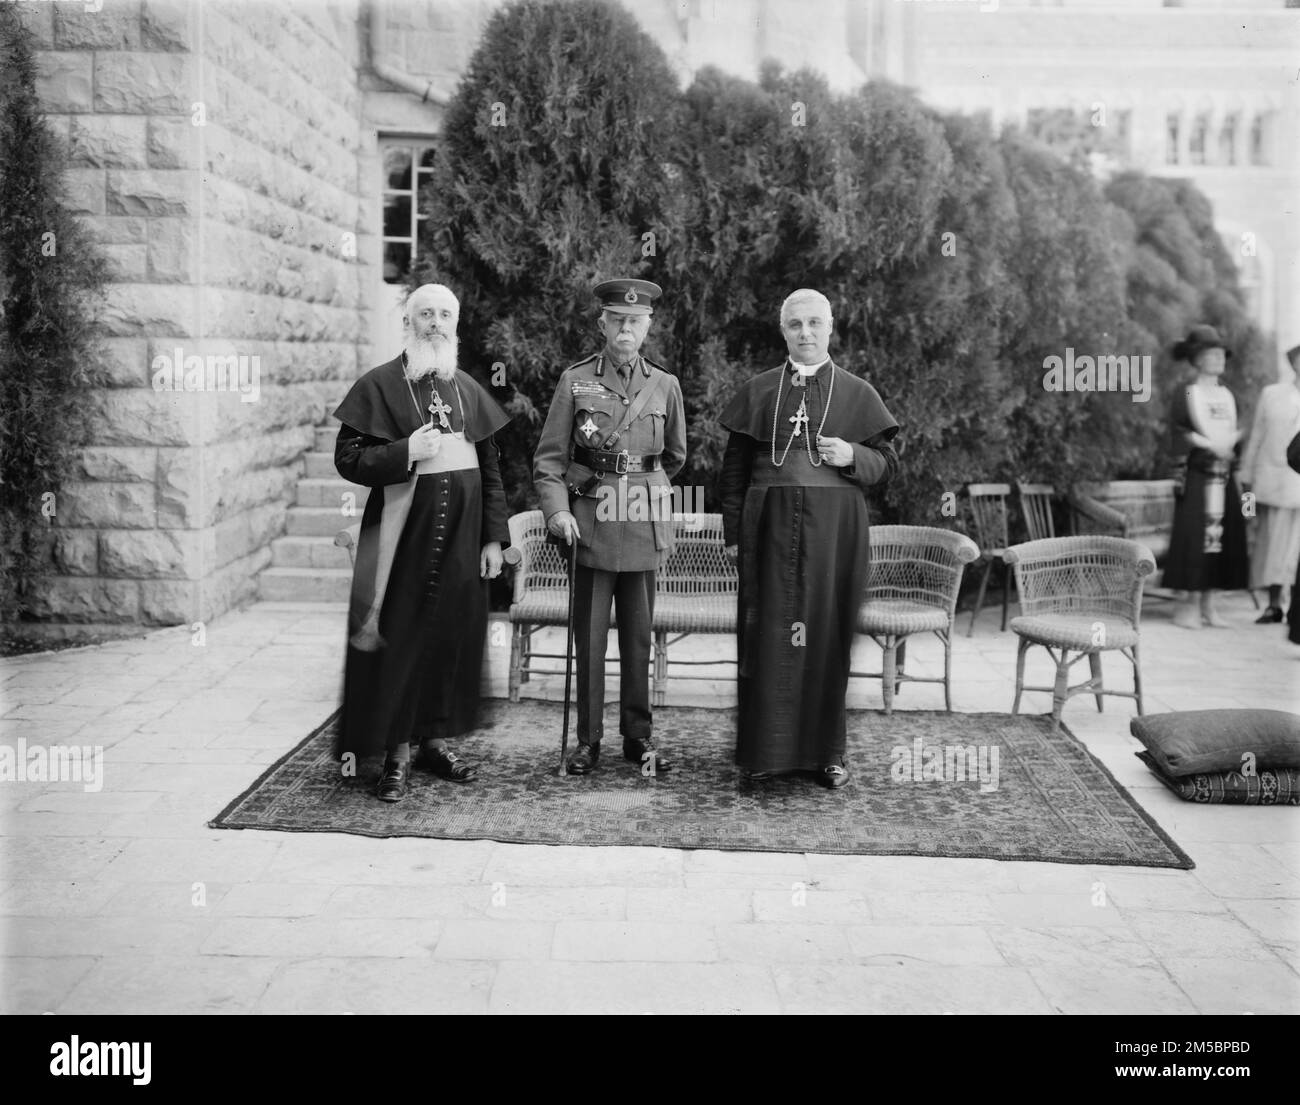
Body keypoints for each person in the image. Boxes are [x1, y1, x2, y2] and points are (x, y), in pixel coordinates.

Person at [333, 283, 511, 802]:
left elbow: (493, 469)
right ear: (410, 323)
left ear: (456, 325)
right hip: (401, 539)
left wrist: (494, 540)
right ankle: (395, 754)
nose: (435, 322)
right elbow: (348, 459)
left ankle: (435, 741)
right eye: (425, 314)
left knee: (450, 640)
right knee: (400, 640)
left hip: (461, 539)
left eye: (445, 315)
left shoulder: (470, 389)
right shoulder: (381, 385)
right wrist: (403, 450)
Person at [717, 289, 899, 788]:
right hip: (767, 530)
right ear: (783, 331)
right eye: (795, 324)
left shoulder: (858, 393)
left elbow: (888, 466)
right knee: (766, 636)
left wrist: (852, 457)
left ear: (831, 326)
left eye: (815, 323)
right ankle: (761, 754)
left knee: (825, 636)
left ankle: (827, 754)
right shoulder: (757, 391)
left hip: (834, 535)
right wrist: (734, 537)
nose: (806, 333)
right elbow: (732, 475)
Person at [532, 278, 686, 775]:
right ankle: (589, 740)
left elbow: (675, 457)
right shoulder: (575, 381)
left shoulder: (665, 385)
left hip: (642, 522)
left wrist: (644, 488)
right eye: (617, 319)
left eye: (635, 321)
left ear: (648, 327)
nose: (626, 328)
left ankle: (638, 739)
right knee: (590, 639)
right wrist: (557, 511)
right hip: (590, 525)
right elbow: (549, 460)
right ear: (603, 323)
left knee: (639, 637)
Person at [1163, 324, 1249, 629]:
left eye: (1220, 354)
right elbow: (1177, 431)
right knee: (1195, 539)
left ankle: (1210, 605)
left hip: (1224, 477)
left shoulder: (1229, 395)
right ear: (1197, 359)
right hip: (1198, 475)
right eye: (1211, 354)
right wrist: (1208, 443)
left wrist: (1233, 444)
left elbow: (1238, 433)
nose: (1218, 359)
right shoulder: (1187, 392)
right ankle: (1187, 606)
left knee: (1221, 540)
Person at [1240, 344, 1300, 623]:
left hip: (1298, 481)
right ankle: (1274, 604)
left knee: (1294, 549)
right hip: (1274, 479)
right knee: (1272, 544)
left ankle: (1293, 608)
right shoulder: (1273, 394)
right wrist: (1247, 478)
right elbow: (1257, 436)